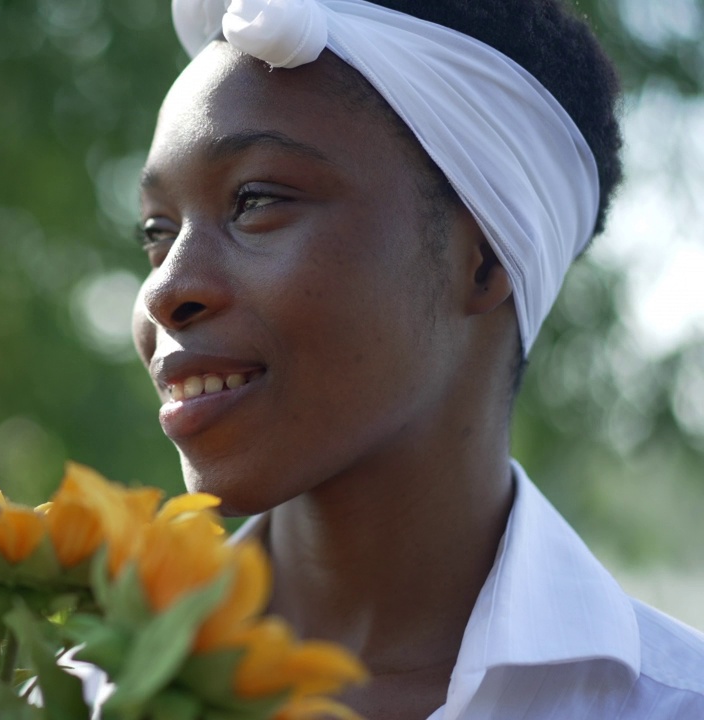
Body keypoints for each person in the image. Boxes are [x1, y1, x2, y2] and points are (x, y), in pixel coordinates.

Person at [130, 0, 704, 717]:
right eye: (158, 231)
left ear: (484, 262)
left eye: (255, 200)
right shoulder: (66, 690)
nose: (165, 289)